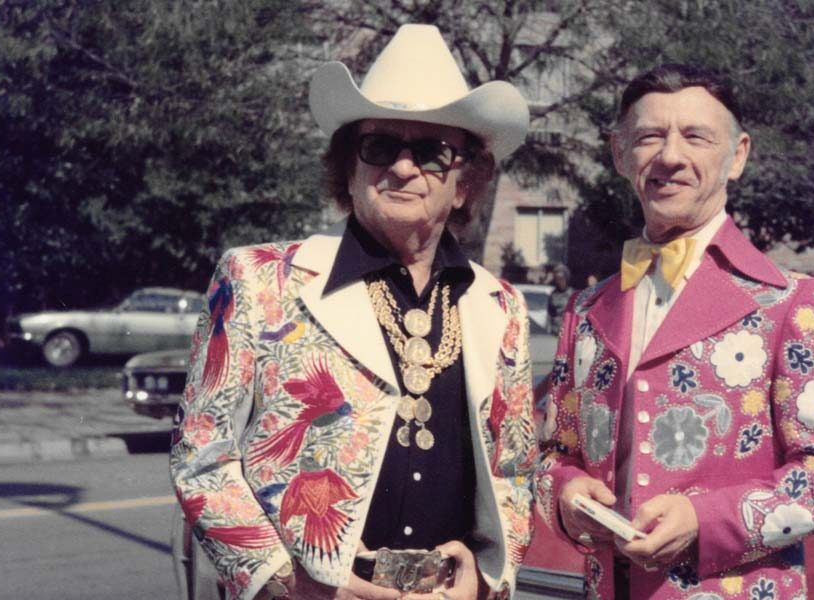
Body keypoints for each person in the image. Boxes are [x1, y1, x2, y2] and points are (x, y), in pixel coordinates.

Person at [170, 24, 538, 600]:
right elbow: (202, 457)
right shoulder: (257, 279)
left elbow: (515, 472)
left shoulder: (501, 306)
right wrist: (292, 583)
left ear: (466, 182)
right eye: (380, 146)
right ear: (350, 167)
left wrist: (489, 575)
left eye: (432, 152)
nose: (403, 168)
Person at [535, 64, 814, 599]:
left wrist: (702, 520)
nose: (670, 156)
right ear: (620, 153)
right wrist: (566, 494)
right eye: (650, 136)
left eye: (696, 136)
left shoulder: (798, 305)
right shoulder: (585, 310)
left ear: (736, 156)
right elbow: (553, 454)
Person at [547, 264, 574, 335]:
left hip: (568, 331)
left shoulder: (572, 294)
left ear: (566, 278)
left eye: (562, 278)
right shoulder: (553, 294)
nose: (559, 281)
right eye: (557, 279)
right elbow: (550, 314)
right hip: (555, 331)